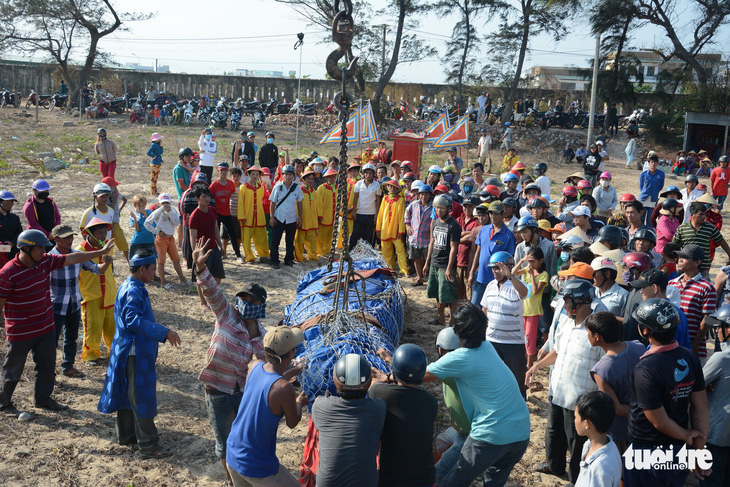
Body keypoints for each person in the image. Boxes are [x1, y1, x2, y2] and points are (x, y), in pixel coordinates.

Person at [0, 229, 114, 414]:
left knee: (47, 366)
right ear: (26, 249)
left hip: (45, 327)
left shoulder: (44, 261)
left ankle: (43, 400)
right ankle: (4, 403)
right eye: (39, 248)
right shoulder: (8, 273)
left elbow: (73, 258)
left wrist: (101, 253)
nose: (43, 251)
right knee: (13, 368)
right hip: (20, 331)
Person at [424, 301, 531, 487]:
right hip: (520, 432)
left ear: (457, 331)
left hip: (490, 434)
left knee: (450, 482)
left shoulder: (459, 357)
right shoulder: (488, 347)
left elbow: (415, 375)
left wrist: (388, 375)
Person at [192, 238, 267, 485]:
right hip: (217, 390)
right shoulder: (227, 313)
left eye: (252, 301)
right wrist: (200, 268)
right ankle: (232, 481)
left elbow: (265, 366)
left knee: (241, 439)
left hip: (242, 393)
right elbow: (212, 291)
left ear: (260, 306)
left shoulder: (261, 335)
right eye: (243, 298)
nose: (246, 303)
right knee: (225, 443)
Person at [97, 249, 182, 459]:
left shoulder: (130, 286)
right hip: (134, 352)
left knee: (128, 393)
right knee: (140, 396)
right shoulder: (133, 290)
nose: (155, 273)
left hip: (125, 349)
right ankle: (149, 445)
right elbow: (133, 321)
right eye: (153, 269)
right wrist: (165, 332)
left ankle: (127, 436)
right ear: (142, 269)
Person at [525, 279, 605, 484]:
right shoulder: (566, 323)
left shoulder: (596, 332)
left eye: (568, 303)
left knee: (576, 443)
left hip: (578, 398)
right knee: (553, 433)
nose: (565, 307)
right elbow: (557, 351)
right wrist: (537, 366)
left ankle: (575, 480)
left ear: (581, 303)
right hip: (558, 390)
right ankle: (554, 466)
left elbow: (603, 366)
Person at [625, 298, 709, 486]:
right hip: (677, 450)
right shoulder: (689, 357)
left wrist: (687, 436)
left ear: (645, 330)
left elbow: (659, 421)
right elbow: (701, 407)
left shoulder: (645, 369)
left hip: (648, 452)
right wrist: (697, 450)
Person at [225, 326, 307, 486]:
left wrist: (293, 372)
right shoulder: (285, 388)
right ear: (291, 354)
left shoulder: (255, 366)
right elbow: (292, 422)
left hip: (233, 453)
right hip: (257, 465)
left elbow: (267, 382)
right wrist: (299, 402)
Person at [312, 354, 386, 487]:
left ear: (336, 379)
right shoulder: (379, 409)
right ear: (369, 382)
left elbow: (318, 403)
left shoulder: (321, 406)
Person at [370, 344, 438, 487]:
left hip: (391, 480)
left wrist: (386, 378)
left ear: (395, 371)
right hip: (425, 480)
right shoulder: (431, 402)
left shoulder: (380, 392)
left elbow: (372, 384)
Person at [50, 224, 111, 379]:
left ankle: (68, 366)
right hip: (56, 305)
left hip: (74, 303)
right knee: (51, 342)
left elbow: (96, 269)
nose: (70, 240)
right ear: (56, 239)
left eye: (71, 236)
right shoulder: (50, 258)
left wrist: (106, 263)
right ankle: (48, 372)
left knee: (71, 338)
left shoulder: (78, 254)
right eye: (66, 237)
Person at [586, 312, 645, 451]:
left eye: (588, 331)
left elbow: (616, 408)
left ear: (597, 336)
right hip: (644, 429)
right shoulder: (638, 346)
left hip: (621, 431)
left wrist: (646, 414)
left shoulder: (601, 370)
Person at [668, 244, 717, 360]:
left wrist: (694, 345)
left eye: (684, 257)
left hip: (694, 348)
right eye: (679, 257)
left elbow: (706, 320)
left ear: (697, 262)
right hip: (671, 345)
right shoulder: (672, 284)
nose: (679, 260)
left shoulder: (707, 288)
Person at [702, 304, 730, 487]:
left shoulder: (720, 358)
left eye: (720, 326)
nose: (717, 331)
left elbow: (695, 385)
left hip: (717, 437)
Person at [468, 200, 516, 305]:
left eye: (496, 213)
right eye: (490, 213)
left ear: (503, 214)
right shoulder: (484, 230)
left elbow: (510, 259)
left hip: (497, 280)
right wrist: (472, 272)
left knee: (491, 308)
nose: (492, 216)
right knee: (475, 306)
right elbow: (478, 252)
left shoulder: (508, 235)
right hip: (480, 276)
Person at [424, 195, 461, 326]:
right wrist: (427, 262)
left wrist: (449, 268)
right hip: (435, 262)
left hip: (446, 264)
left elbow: (454, 248)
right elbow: (431, 243)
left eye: (442, 208)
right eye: (437, 208)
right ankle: (440, 318)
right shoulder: (435, 222)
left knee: (449, 295)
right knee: (436, 293)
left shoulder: (454, 225)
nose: (439, 210)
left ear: (448, 208)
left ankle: (452, 321)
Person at [573, 391, 622, 487]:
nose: (574, 421)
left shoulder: (601, 467)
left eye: (575, 417)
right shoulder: (590, 445)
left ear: (587, 424)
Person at [189, 187, 225, 308]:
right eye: (203, 196)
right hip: (202, 251)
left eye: (208, 196)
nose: (207, 199)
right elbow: (192, 237)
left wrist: (220, 246)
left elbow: (216, 229)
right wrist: (196, 253)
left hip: (213, 248)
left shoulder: (212, 210)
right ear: (197, 198)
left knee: (218, 275)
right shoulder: (194, 216)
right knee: (201, 278)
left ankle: (211, 295)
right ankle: (203, 302)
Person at [674, 202, 730, 278]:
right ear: (692, 214)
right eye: (700, 214)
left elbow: (721, 241)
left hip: (703, 266)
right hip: (686, 266)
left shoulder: (710, 228)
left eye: (705, 214)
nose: (703, 217)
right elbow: (675, 245)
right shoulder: (682, 228)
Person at [144, 194, 187, 289]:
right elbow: (147, 223)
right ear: (159, 204)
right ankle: (163, 282)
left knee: (176, 259)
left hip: (171, 239)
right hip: (161, 239)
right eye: (163, 203)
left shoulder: (173, 211)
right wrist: (156, 231)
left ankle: (182, 279)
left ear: (170, 203)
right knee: (161, 261)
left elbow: (176, 222)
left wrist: (170, 212)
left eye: (167, 203)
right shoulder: (157, 212)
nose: (165, 205)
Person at [517, 247, 549, 368]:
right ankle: (524, 363)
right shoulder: (526, 269)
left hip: (533, 312)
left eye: (532, 261)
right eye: (529, 261)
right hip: (522, 310)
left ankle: (529, 365)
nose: (530, 264)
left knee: (529, 340)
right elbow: (512, 274)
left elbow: (535, 292)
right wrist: (521, 261)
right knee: (522, 338)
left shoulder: (543, 275)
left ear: (540, 260)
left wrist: (531, 276)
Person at [269, 165, 304, 269]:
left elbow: (300, 203)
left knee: (290, 241)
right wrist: (271, 217)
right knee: (275, 241)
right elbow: (272, 203)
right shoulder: (277, 187)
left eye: (290, 174)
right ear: (282, 175)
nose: (288, 176)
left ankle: (289, 260)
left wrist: (300, 216)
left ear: (293, 176)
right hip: (279, 217)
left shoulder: (297, 188)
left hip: (291, 218)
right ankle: (274, 260)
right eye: (286, 174)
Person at [210, 162, 242, 262]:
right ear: (218, 171)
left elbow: (233, 196)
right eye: (221, 170)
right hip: (217, 213)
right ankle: (217, 254)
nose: (223, 172)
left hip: (228, 213)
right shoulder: (213, 185)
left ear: (228, 171)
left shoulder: (231, 184)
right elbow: (209, 199)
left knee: (232, 234)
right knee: (216, 234)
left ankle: (238, 254)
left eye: (225, 170)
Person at [238, 166, 270, 264]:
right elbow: (240, 203)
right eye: (253, 174)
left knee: (261, 237)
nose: (255, 176)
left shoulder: (261, 187)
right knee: (246, 239)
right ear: (249, 174)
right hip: (247, 217)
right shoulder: (243, 187)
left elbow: (265, 200)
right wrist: (242, 217)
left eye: (257, 174)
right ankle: (249, 257)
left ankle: (263, 255)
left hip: (259, 217)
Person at [377, 179, 409, 276]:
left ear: (398, 189)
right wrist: (378, 228)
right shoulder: (384, 199)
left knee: (400, 250)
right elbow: (380, 214)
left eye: (394, 187)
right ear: (387, 188)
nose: (392, 188)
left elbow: (401, 216)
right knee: (386, 250)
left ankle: (404, 269)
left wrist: (401, 232)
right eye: (390, 186)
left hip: (396, 230)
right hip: (385, 228)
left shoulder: (401, 200)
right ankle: (389, 268)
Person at [405, 184, 433, 287]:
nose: (424, 197)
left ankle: (430, 281)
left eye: (426, 194)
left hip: (427, 239)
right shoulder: (414, 204)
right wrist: (408, 225)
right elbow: (407, 214)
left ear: (430, 195)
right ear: (419, 195)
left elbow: (436, 220)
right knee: (416, 258)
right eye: (422, 194)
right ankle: (419, 278)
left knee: (428, 259)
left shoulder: (433, 207)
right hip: (415, 237)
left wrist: (432, 232)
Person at [350, 163, 382, 248]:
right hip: (360, 213)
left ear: (373, 174)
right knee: (355, 234)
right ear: (363, 174)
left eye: (370, 173)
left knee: (368, 236)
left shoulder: (377, 185)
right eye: (366, 173)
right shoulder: (359, 184)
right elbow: (355, 198)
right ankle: (351, 252)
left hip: (371, 214)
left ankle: (367, 255)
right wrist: (354, 212)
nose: (368, 175)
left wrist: (376, 215)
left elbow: (378, 201)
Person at [294, 169, 318, 263]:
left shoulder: (313, 190)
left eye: (312, 179)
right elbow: (296, 205)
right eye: (308, 178)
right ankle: (299, 257)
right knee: (299, 240)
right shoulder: (299, 190)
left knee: (312, 240)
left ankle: (312, 256)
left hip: (311, 220)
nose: (310, 181)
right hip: (302, 219)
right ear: (304, 179)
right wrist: (297, 218)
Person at [638, 155, 665, 226]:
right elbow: (641, 186)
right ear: (648, 163)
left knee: (650, 218)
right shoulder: (643, 174)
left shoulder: (661, 174)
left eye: (655, 162)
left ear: (657, 163)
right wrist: (646, 192)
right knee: (641, 218)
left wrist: (654, 192)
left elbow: (661, 186)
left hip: (653, 199)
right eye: (651, 162)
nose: (653, 164)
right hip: (643, 199)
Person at [0, 191, 22, 267]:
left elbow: (19, 233)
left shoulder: (14, 217)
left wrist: (13, 242)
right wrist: (4, 246)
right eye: (7, 201)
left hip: (13, 251)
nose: (10, 203)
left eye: (11, 201)